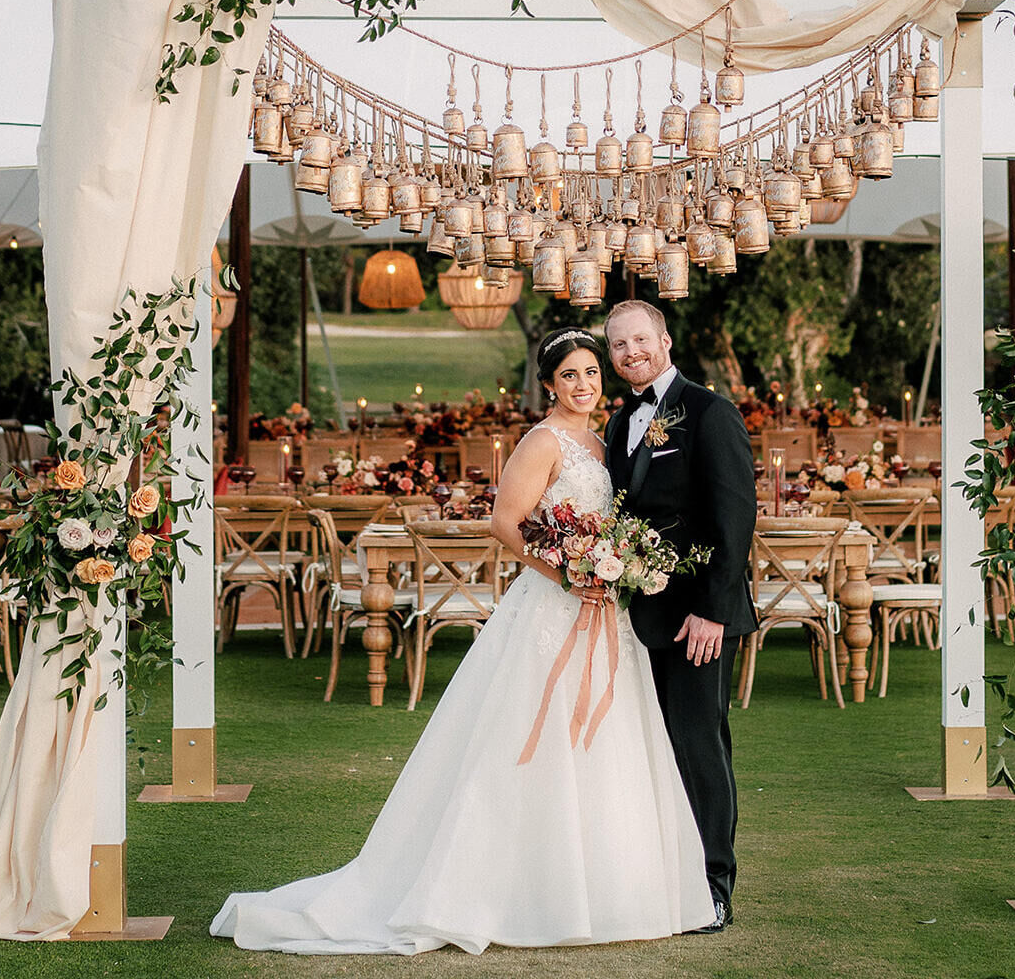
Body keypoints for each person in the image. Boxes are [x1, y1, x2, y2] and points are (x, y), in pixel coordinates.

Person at [210, 327, 713, 955]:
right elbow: (506, 523)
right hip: (552, 609)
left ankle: (605, 890)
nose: (584, 385)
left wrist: (611, 567)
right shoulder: (542, 440)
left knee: (608, 744)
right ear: (549, 385)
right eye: (569, 376)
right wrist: (572, 574)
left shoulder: (604, 438)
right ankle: (507, 891)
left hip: (604, 613)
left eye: (591, 373)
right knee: (530, 744)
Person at [604, 300, 758, 934]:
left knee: (698, 748)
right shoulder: (618, 425)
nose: (630, 352)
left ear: (665, 340)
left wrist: (712, 613)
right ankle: (659, 878)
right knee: (647, 752)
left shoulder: (709, 413)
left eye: (641, 339)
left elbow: (733, 518)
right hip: (633, 618)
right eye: (618, 345)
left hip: (698, 621)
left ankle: (714, 886)